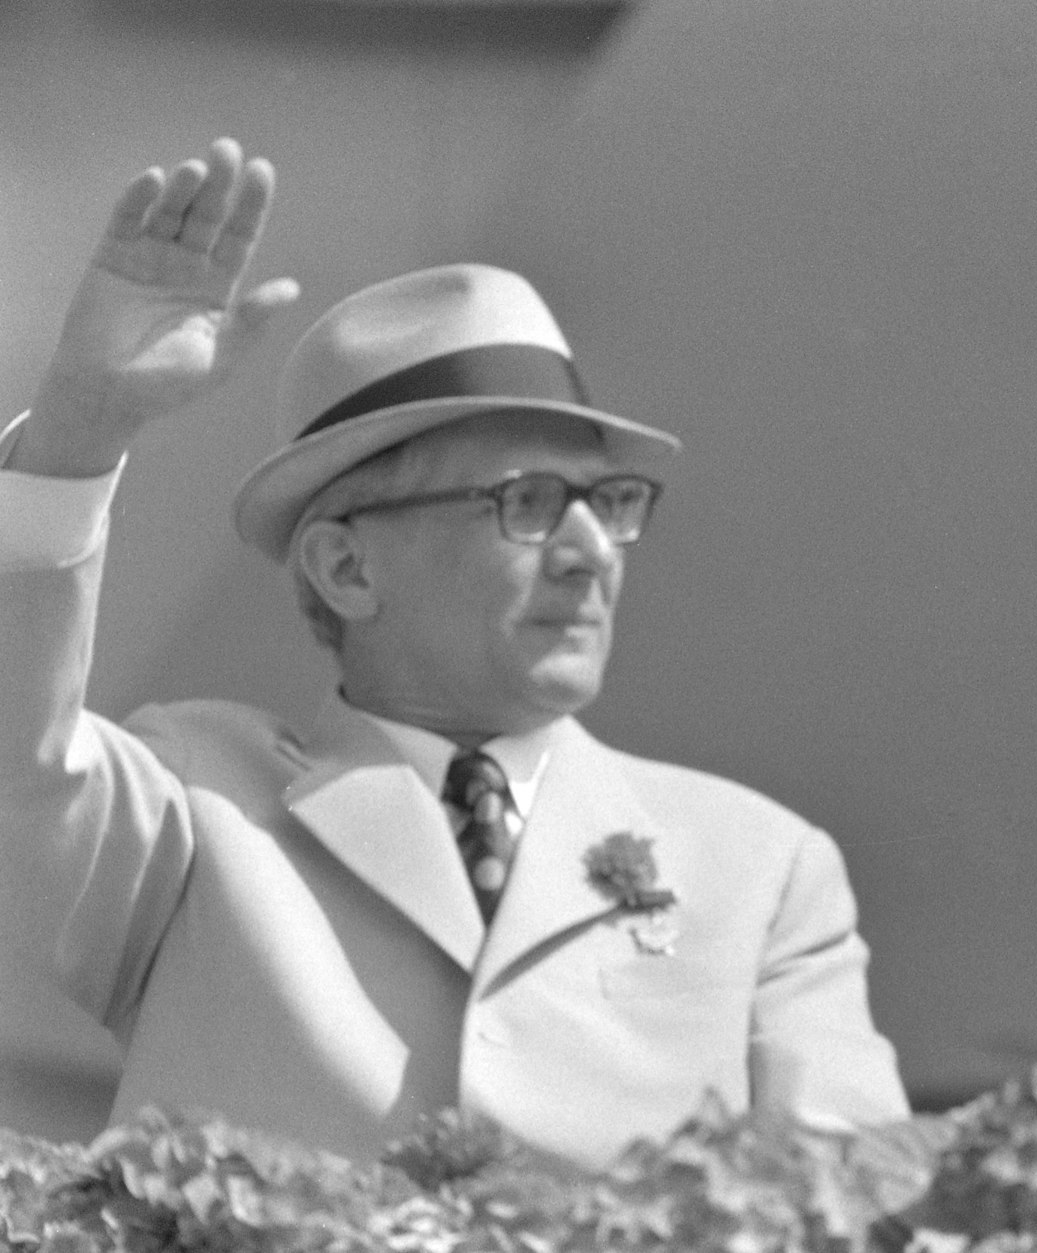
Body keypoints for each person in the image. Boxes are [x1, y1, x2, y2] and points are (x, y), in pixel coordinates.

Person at [0, 139, 908, 1167]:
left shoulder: (762, 863)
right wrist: (75, 434)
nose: (588, 551)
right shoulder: (196, 808)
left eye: (607, 502)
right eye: (524, 501)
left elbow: (857, 1198)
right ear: (345, 567)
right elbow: (13, 762)